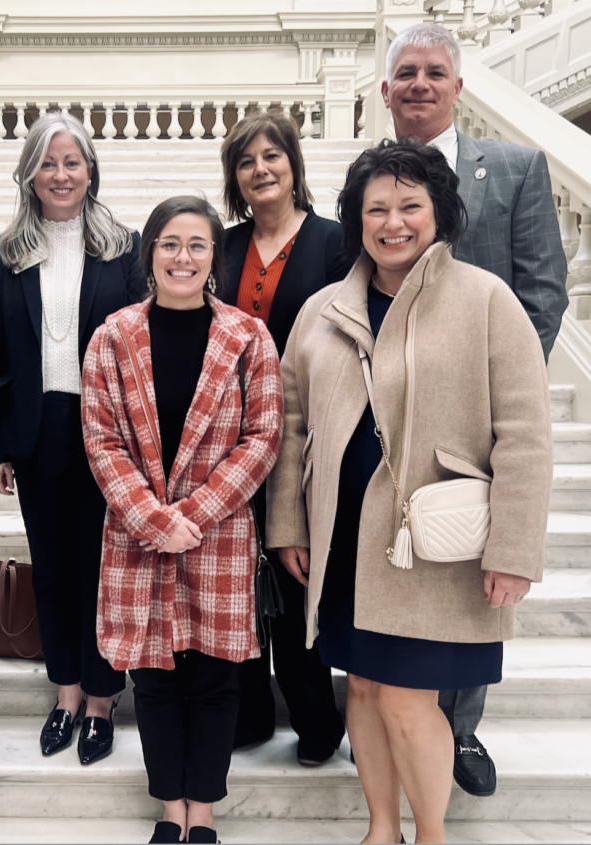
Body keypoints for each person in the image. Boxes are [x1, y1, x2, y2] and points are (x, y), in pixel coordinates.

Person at [267, 139, 552, 844]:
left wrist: (514, 548)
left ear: (439, 211)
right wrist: (288, 526)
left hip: (431, 550)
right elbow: (291, 426)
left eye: (410, 206)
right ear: (356, 219)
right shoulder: (323, 309)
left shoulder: (488, 300)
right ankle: (379, 827)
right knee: (361, 687)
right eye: (377, 209)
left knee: (407, 695)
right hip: (343, 541)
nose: (393, 222)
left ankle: (430, 835)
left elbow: (525, 432)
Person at [381, 22, 568, 797]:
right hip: (393, 419)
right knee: (398, 575)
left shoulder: (517, 169)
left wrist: (500, 397)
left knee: (467, 580)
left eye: (434, 72)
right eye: (406, 75)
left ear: (458, 86)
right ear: (386, 93)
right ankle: (396, 716)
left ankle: (459, 728)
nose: (419, 85)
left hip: (477, 422)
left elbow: (543, 294)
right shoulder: (371, 178)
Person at [82, 196, 283, 844]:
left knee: (217, 678)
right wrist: (152, 518)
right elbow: (103, 440)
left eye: (197, 244)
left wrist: (189, 515)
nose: (183, 257)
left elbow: (263, 436)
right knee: (155, 678)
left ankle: (205, 809)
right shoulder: (113, 336)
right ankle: (170, 807)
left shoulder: (248, 336)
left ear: (213, 259)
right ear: (150, 253)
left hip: (217, 536)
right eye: (170, 243)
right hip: (139, 537)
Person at [0, 111, 144, 765]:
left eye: (72, 162)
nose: (61, 174)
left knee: (101, 567)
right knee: (52, 565)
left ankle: (103, 699)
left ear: (90, 171)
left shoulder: (124, 248)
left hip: (105, 429)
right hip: (36, 428)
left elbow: (140, 349)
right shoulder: (4, 254)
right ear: (30, 174)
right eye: (48, 162)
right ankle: (67, 693)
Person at [219, 111, 351, 765]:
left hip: (304, 436)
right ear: (234, 177)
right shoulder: (220, 245)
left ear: (294, 164)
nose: (261, 169)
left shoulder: (334, 242)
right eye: (246, 161)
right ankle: (248, 712)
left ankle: (315, 719)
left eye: (272, 155)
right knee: (237, 578)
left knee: (296, 580)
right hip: (227, 441)